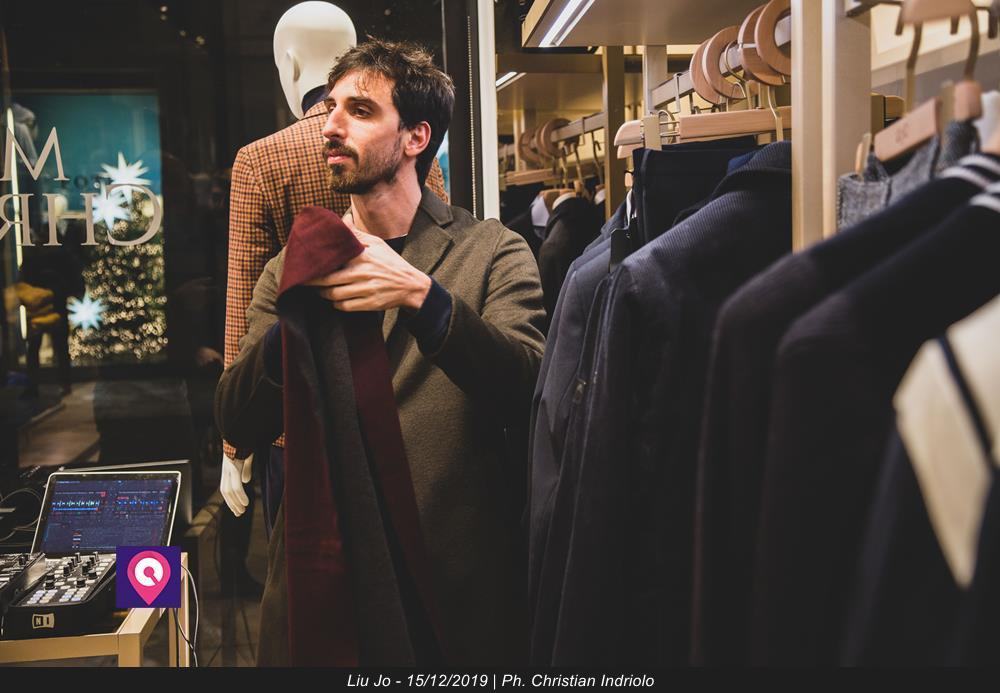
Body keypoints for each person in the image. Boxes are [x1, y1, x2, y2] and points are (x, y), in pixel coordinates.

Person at [216, 38, 545, 665]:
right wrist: (298, 315)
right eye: (331, 108)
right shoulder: (291, 268)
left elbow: (526, 387)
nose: (330, 125)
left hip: (450, 588)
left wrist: (424, 298)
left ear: (416, 137)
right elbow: (236, 417)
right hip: (327, 585)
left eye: (360, 110)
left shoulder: (491, 251)